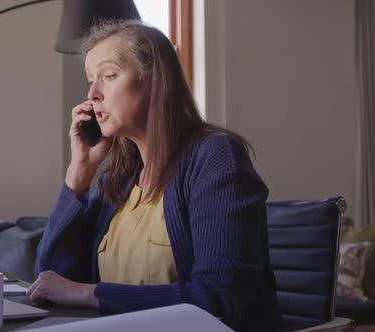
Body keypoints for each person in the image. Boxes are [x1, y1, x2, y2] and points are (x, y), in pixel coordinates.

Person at [26, 20, 281, 331]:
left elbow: (217, 299)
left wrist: (85, 293)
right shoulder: (117, 181)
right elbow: (50, 280)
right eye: (90, 80)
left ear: (154, 80)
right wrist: (79, 172)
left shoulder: (215, 157)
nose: (92, 94)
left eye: (108, 76)